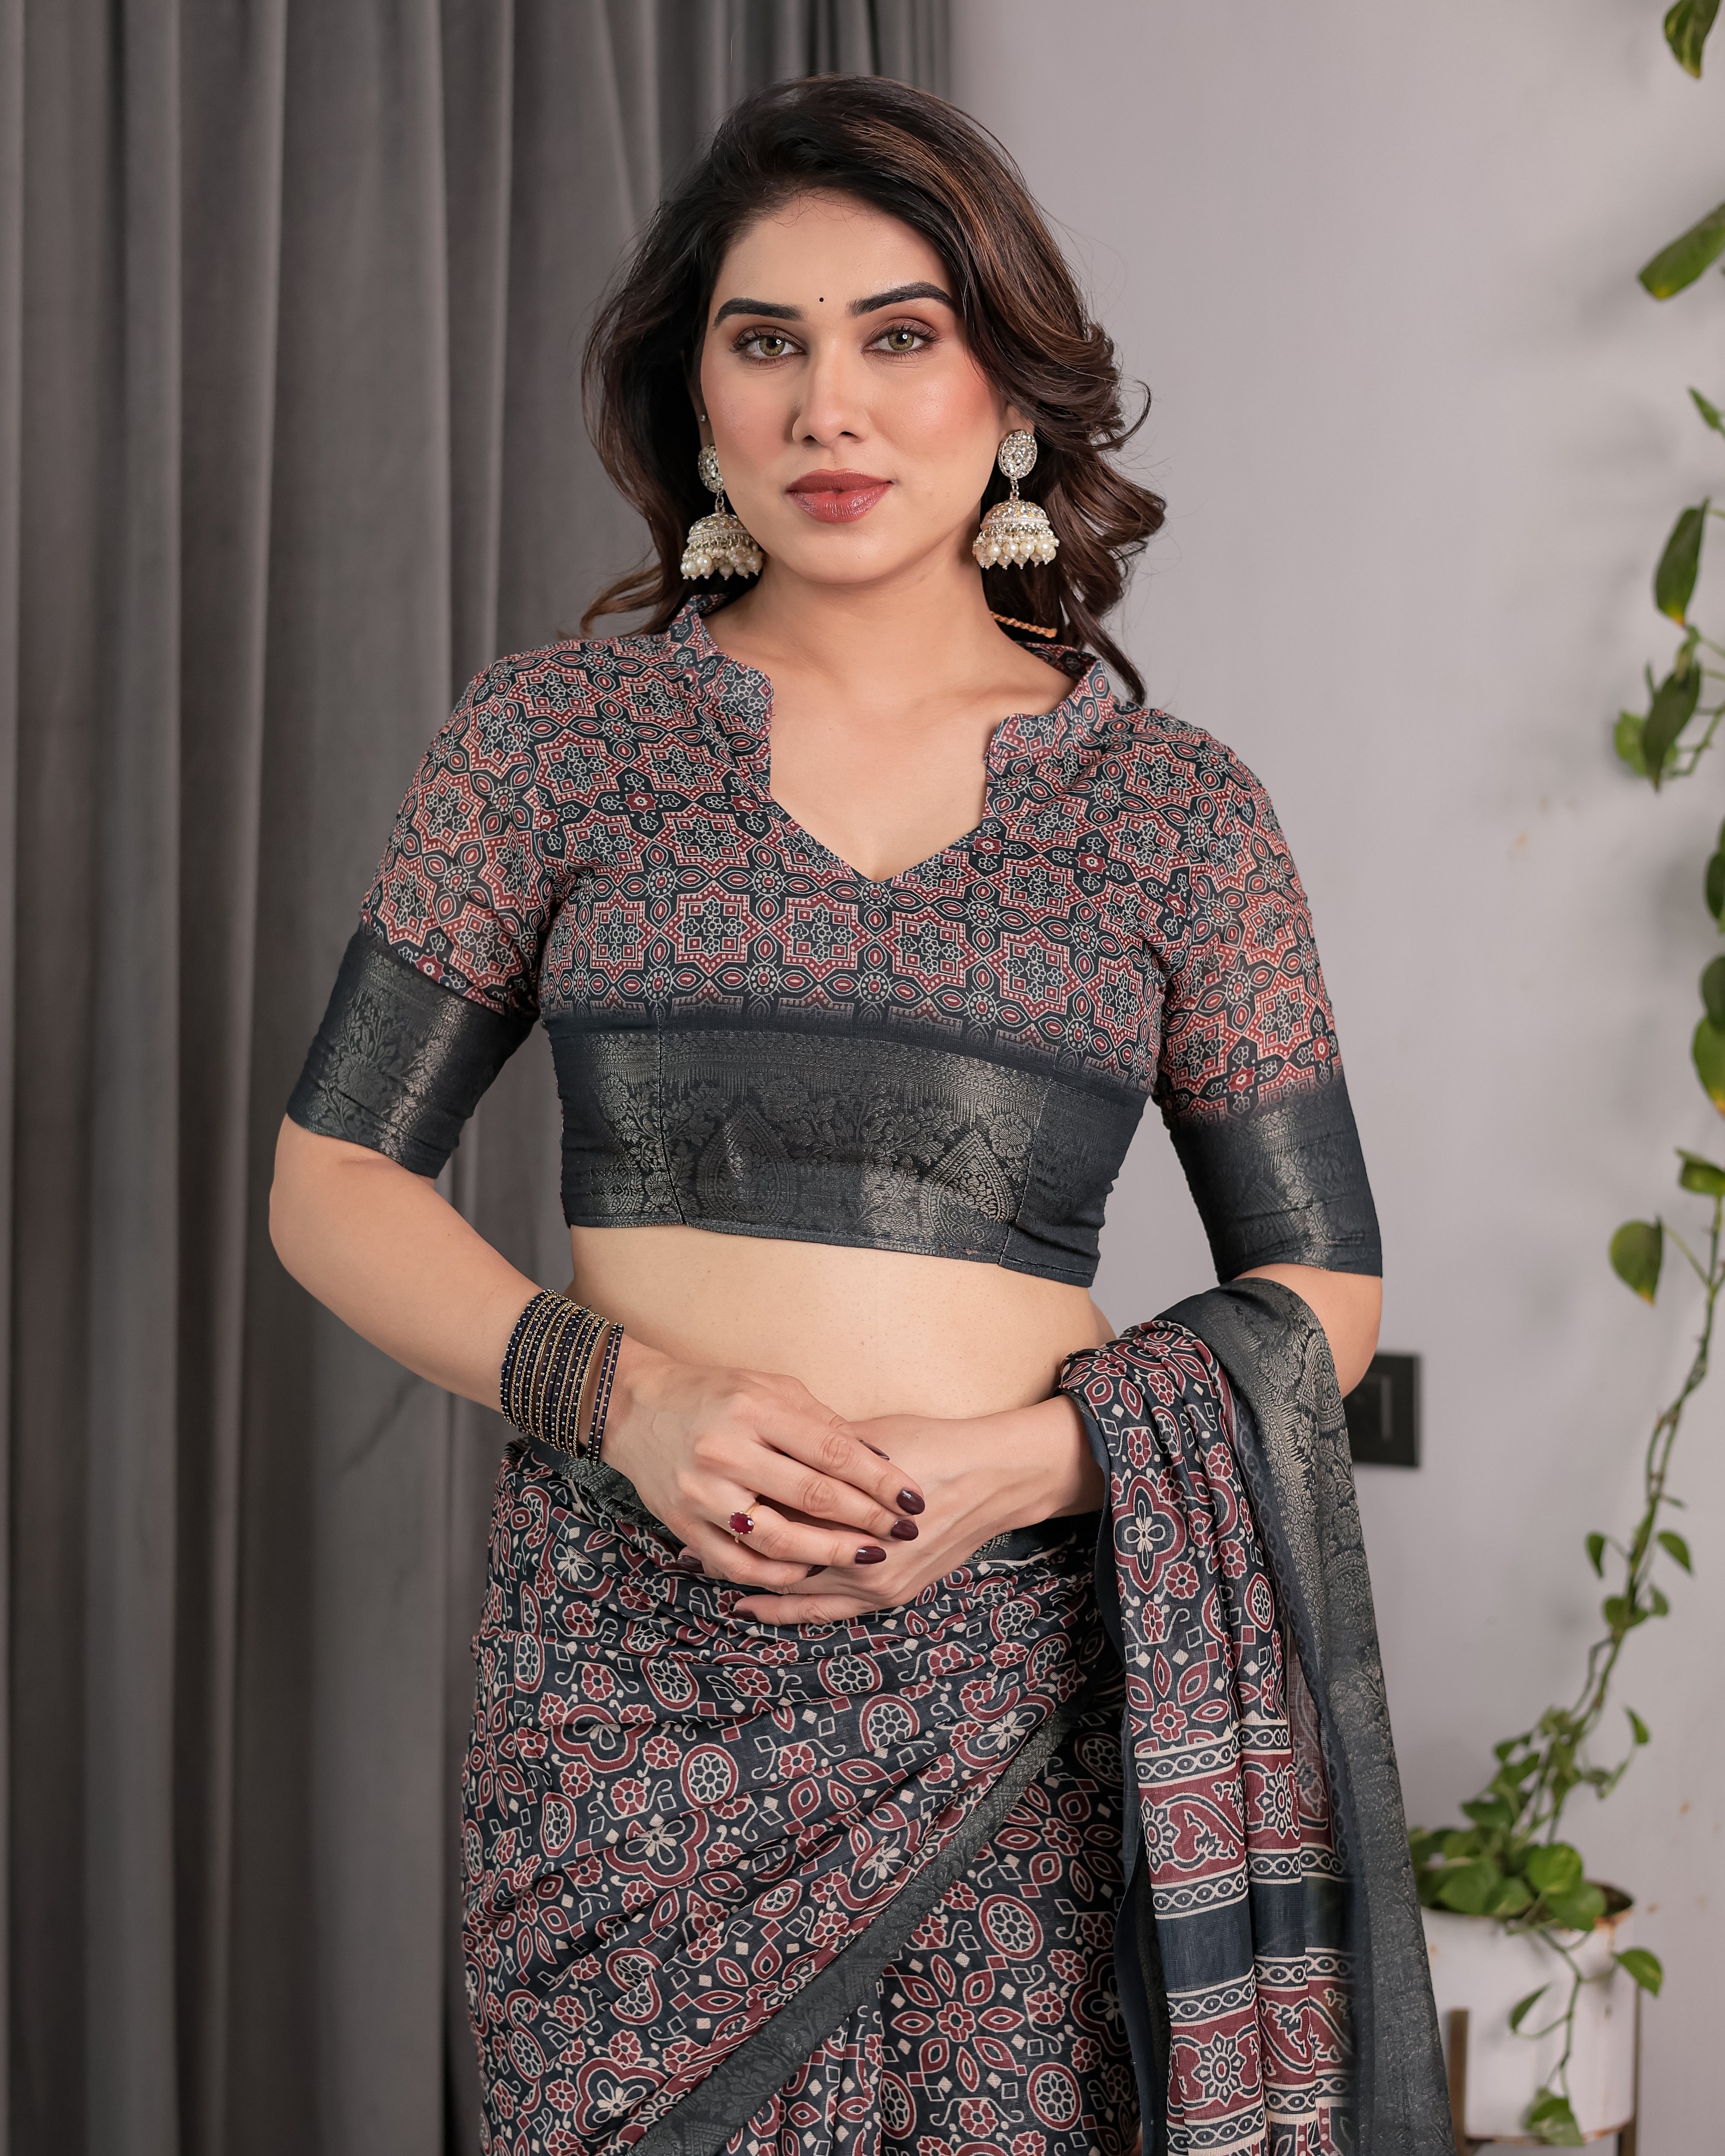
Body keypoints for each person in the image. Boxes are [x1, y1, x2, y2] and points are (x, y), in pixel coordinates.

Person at [272, 75, 1448, 2156]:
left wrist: (1017, 1469)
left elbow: (1320, 1284)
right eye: (767, 343)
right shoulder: (554, 745)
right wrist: (618, 1391)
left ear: (1005, 389)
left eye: (898, 336)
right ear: (699, 405)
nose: (832, 405)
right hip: (625, 1706)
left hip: (1013, 1695)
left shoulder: (1172, 816)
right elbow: (331, 1176)